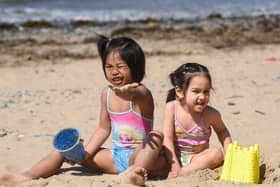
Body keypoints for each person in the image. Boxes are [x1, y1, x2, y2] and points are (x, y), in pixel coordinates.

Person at [0, 35, 167, 186]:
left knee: (156, 136)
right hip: (114, 158)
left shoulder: (142, 94)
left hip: (141, 157)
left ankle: (133, 174)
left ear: (135, 67)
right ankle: (25, 177)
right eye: (108, 66)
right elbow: (103, 128)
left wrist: (128, 92)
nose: (114, 71)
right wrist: (87, 153)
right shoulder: (106, 94)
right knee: (63, 149)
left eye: (120, 66)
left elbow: (137, 94)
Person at [162, 62, 232, 178]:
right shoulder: (171, 108)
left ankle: (183, 173)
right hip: (172, 158)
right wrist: (174, 165)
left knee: (216, 154)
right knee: (154, 149)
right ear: (180, 92)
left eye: (206, 92)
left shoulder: (211, 114)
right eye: (196, 91)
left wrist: (231, 154)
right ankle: (174, 171)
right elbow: (167, 139)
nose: (202, 97)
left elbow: (222, 131)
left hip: (197, 159)